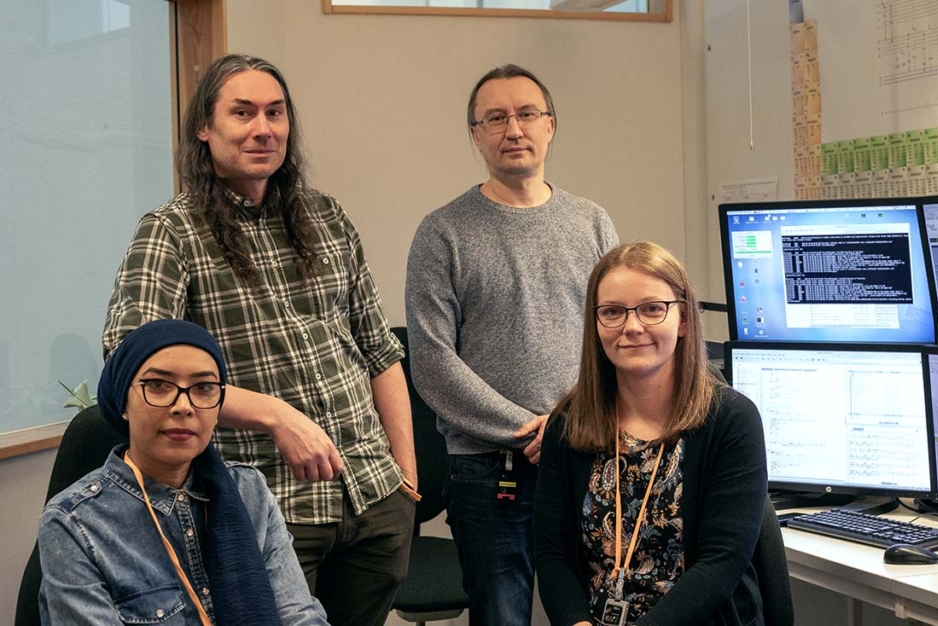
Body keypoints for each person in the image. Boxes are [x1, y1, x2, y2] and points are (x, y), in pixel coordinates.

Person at [102, 54, 416, 626]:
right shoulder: (170, 231)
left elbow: (380, 352)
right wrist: (274, 414)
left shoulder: (326, 216)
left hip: (373, 497)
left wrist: (407, 481)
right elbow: (133, 367)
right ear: (205, 126)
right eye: (241, 113)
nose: (262, 128)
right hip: (266, 509)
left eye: (275, 112)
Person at [405, 63, 619, 625]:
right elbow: (431, 362)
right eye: (495, 117)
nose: (513, 128)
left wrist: (570, 428)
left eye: (527, 114)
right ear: (476, 135)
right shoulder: (443, 232)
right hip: (488, 469)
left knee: (602, 611)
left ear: (551, 126)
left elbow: (616, 340)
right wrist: (530, 430)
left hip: (588, 456)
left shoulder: (593, 224)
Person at [534, 242, 768, 626]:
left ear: (684, 320)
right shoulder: (568, 422)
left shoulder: (731, 419)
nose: (632, 326)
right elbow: (552, 554)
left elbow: (721, 563)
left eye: (652, 309)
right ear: (595, 324)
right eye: (612, 312)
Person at [38, 319, 329, 625]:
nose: (183, 406)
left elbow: (299, 615)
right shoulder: (74, 522)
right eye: (158, 386)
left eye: (203, 388)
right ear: (123, 400)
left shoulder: (249, 490)